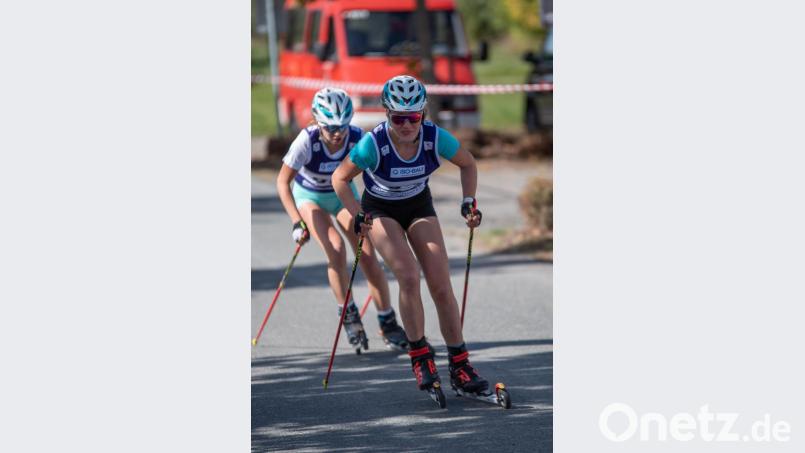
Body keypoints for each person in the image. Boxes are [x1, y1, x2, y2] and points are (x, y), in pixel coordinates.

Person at [332, 75, 489, 394]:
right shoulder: (373, 144)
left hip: (418, 205)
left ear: (423, 115)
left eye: (413, 117)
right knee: (407, 275)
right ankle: (420, 357)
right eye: (398, 118)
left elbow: (468, 164)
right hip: (380, 209)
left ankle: (459, 363)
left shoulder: (435, 138)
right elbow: (339, 178)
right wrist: (356, 213)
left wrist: (468, 201)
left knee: (441, 285)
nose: (406, 124)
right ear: (387, 115)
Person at [276, 87, 408, 352]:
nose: (337, 134)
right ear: (316, 121)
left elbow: (377, 175)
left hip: (342, 195)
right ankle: (348, 314)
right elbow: (282, 182)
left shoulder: (357, 137)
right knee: (335, 250)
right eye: (330, 128)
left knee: (368, 254)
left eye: (343, 126)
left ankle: (387, 321)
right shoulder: (307, 140)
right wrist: (295, 221)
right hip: (310, 197)